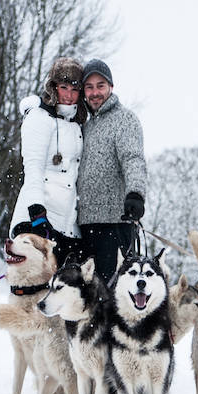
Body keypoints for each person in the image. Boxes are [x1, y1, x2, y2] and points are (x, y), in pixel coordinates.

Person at [9, 57, 87, 264]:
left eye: (74, 89)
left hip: (67, 223)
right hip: (38, 219)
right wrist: (37, 212)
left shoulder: (77, 125)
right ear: (53, 87)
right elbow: (32, 167)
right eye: (63, 87)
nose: (69, 95)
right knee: (33, 286)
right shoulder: (39, 117)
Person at [77, 59, 148, 283]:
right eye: (89, 87)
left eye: (100, 85)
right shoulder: (86, 127)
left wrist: (135, 194)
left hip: (115, 224)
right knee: (88, 296)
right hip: (85, 224)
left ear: (111, 87)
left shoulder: (124, 119)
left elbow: (133, 159)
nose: (95, 92)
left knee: (111, 295)